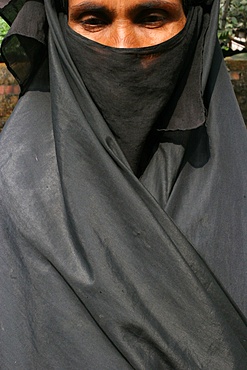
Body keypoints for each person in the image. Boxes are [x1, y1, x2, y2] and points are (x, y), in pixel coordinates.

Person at [0, 0, 247, 368]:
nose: (122, 45)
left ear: (196, 25)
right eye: (93, 20)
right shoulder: (13, 191)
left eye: (151, 18)